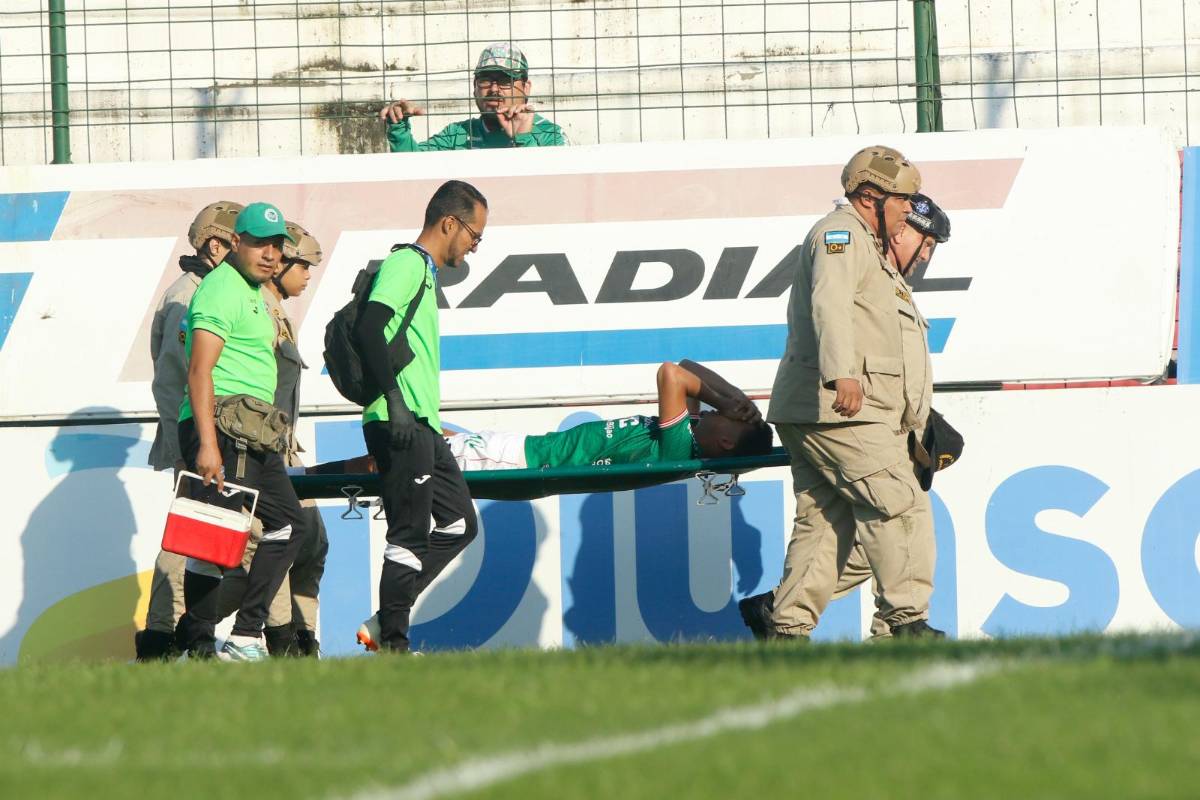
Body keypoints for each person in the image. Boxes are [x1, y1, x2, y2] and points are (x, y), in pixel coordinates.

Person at [745, 146, 943, 642]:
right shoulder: (841, 235)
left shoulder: (866, 245)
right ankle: (906, 623)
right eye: (902, 202)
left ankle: (785, 629)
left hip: (830, 409)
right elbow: (829, 304)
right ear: (872, 196)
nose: (904, 216)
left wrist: (917, 420)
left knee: (826, 522)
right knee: (898, 505)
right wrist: (842, 375)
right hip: (839, 406)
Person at [351, 180, 488, 654]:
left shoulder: (424, 272)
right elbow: (369, 328)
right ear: (450, 222)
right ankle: (393, 644)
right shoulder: (406, 263)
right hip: (398, 418)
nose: (474, 246)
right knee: (407, 532)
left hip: (420, 421)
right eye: (475, 235)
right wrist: (393, 398)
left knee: (459, 524)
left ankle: (385, 617)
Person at [177, 201, 312, 661]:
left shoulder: (253, 290)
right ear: (236, 242)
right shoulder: (221, 289)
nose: (271, 254)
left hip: (250, 430)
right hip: (224, 427)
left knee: (280, 527)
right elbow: (199, 371)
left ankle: (213, 640)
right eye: (259, 243)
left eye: (277, 246)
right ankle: (230, 640)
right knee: (218, 536)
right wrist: (209, 446)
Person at [212, 221, 329, 657]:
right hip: (249, 446)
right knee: (264, 548)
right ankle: (203, 632)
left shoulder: (274, 310)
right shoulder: (246, 301)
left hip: (279, 446)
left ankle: (301, 641)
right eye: (302, 263)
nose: (305, 272)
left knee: (310, 542)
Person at [136, 200, 242, 661]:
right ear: (216, 244)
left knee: (210, 537)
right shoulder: (189, 295)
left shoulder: (220, 287)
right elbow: (172, 379)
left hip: (213, 434)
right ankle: (163, 639)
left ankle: (182, 632)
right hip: (199, 437)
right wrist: (189, 445)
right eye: (246, 240)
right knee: (193, 538)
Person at [445, 360, 771, 473]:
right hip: (520, 448)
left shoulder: (678, 449)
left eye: (733, 416)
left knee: (413, 455)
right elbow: (688, 366)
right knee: (427, 439)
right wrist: (739, 399)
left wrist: (722, 400)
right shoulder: (691, 425)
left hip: (517, 460)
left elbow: (672, 374)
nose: (722, 409)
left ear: (726, 441)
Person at [378, 42, 568, 151]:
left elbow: (556, 190)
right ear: (474, 88)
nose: (494, 89)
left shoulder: (551, 136)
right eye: (485, 80)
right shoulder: (457, 134)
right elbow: (415, 171)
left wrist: (523, 138)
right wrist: (398, 126)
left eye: (504, 80)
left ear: (526, 88)